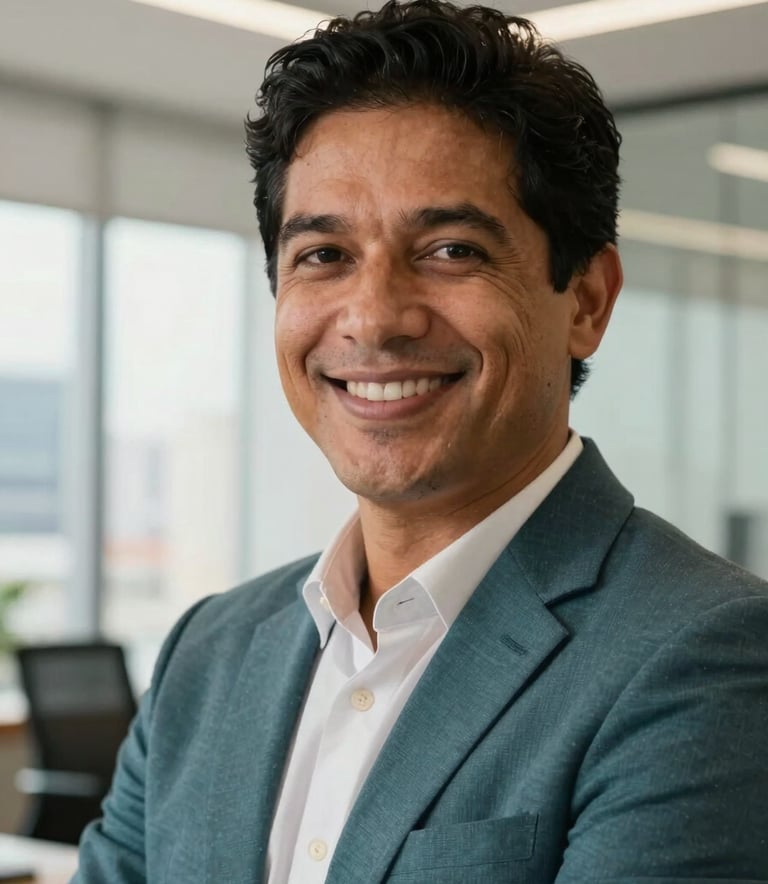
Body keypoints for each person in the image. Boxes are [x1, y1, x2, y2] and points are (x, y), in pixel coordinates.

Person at [74, 1, 768, 882]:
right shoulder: (209, 652)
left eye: (450, 250)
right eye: (323, 255)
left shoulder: (704, 658)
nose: (374, 319)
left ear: (586, 301)